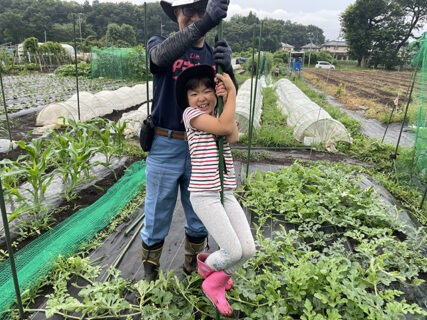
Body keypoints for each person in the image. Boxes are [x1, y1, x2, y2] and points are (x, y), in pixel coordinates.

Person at [140, 0, 238, 282]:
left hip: (203, 146)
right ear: (176, 14)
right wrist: (206, 22)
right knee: (157, 214)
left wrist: (228, 70)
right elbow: (158, 58)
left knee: (200, 215)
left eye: (202, 10)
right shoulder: (161, 44)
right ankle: (150, 277)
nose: (196, 16)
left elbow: (227, 95)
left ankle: (192, 271)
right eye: (189, 11)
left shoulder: (212, 54)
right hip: (165, 144)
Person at [176, 64, 255, 316]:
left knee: (248, 250)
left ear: (215, 93)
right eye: (194, 93)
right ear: (187, 100)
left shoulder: (218, 116)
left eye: (208, 91)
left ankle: (219, 278)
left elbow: (232, 137)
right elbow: (224, 128)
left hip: (226, 192)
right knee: (232, 251)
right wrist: (231, 92)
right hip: (205, 196)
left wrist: (226, 102)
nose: (202, 98)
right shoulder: (190, 115)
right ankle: (211, 278)